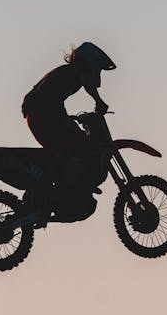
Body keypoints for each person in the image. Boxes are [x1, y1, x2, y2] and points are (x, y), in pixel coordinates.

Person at [22, 42, 116, 219]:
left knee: (68, 150)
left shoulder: (66, 74)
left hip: (40, 113)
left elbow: (53, 97)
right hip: (42, 113)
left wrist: (69, 118)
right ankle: (64, 192)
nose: (97, 73)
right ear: (89, 63)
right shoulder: (73, 73)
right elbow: (87, 82)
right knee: (81, 147)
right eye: (97, 68)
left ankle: (56, 192)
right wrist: (99, 101)